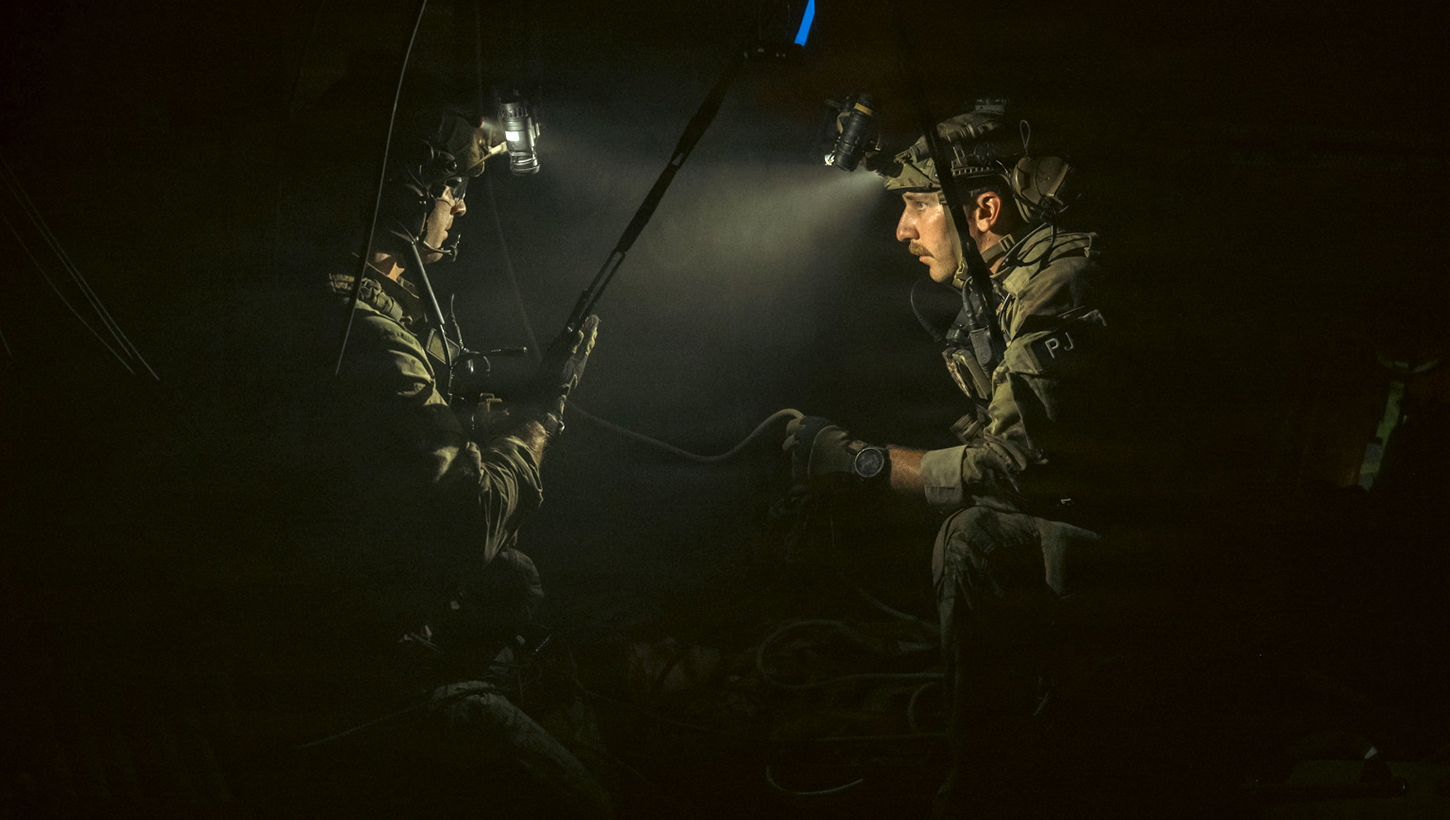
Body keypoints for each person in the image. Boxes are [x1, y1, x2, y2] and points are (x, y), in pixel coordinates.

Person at [241, 90, 611, 819]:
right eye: (452, 189)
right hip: (378, 673)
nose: (462, 207)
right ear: (405, 197)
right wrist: (544, 419)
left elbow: (438, 412)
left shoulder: (380, 310)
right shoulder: (362, 333)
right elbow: (464, 518)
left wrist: (508, 402)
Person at [785, 101, 1108, 816]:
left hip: (1119, 542)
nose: (902, 229)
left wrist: (859, 461)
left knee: (973, 540)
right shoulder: (1007, 283)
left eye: (919, 207)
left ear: (984, 210)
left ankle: (986, 790)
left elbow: (1011, 465)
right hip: (1077, 521)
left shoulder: (1058, 287)